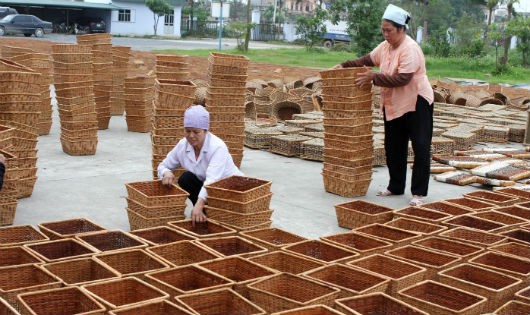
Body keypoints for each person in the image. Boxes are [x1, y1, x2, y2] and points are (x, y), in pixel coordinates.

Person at [332, 4, 434, 206]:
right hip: (394, 103)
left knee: (420, 146)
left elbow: (403, 79)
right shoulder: (385, 47)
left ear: (401, 29)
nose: (385, 34)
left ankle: (418, 193)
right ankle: (395, 186)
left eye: (389, 30)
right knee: (393, 146)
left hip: (417, 101)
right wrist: (344, 65)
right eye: (383, 30)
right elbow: (367, 59)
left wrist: (374, 78)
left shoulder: (410, 49)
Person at [158, 105, 244, 222]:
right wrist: (166, 173)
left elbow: (212, 180)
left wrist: (199, 205)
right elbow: (163, 165)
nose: (191, 136)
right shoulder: (182, 146)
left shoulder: (217, 147)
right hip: (208, 188)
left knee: (225, 215)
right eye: (188, 131)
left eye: (196, 132)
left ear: (205, 131)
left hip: (229, 188)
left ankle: (207, 210)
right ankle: (203, 213)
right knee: (186, 179)